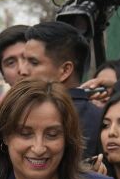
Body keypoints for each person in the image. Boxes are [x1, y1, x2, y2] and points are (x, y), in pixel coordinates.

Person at [18, 22, 103, 156]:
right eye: (26, 133)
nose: (22, 70)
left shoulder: (105, 121)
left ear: (65, 70)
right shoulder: (101, 117)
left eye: (34, 62)